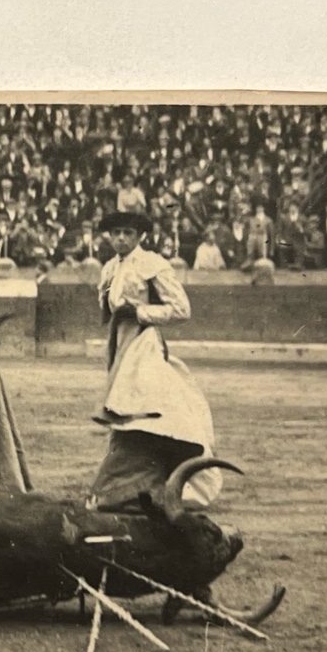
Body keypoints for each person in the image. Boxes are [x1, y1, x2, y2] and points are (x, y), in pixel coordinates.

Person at [88, 211, 221, 511]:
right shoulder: (109, 267)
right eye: (116, 233)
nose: (121, 238)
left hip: (145, 343)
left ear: (140, 237)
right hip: (120, 344)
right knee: (128, 409)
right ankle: (134, 482)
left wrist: (141, 312)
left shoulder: (153, 264)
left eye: (128, 233)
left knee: (145, 409)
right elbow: (107, 311)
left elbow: (180, 309)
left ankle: (153, 483)